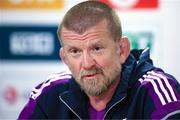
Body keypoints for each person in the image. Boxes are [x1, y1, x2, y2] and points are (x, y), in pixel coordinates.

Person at [18, 1, 180, 119]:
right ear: (65, 58)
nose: (87, 63)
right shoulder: (49, 94)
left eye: (97, 49)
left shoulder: (155, 90)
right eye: (75, 51)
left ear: (122, 50)